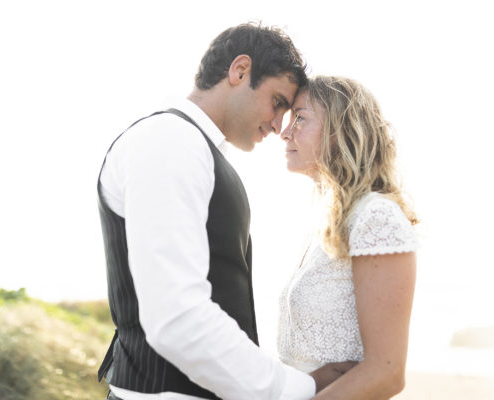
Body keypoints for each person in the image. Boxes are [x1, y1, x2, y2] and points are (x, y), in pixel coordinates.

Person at [96, 24, 352, 400]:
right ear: (240, 71)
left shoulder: (193, 148)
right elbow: (176, 316)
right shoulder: (170, 140)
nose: (278, 125)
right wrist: (298, 388)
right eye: (278, 102)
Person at [277, 75, 419, 399]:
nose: (285, 132)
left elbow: (386, 372)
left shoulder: (376, 217)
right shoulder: (330, 223)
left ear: (340, 130)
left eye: (300, 118)